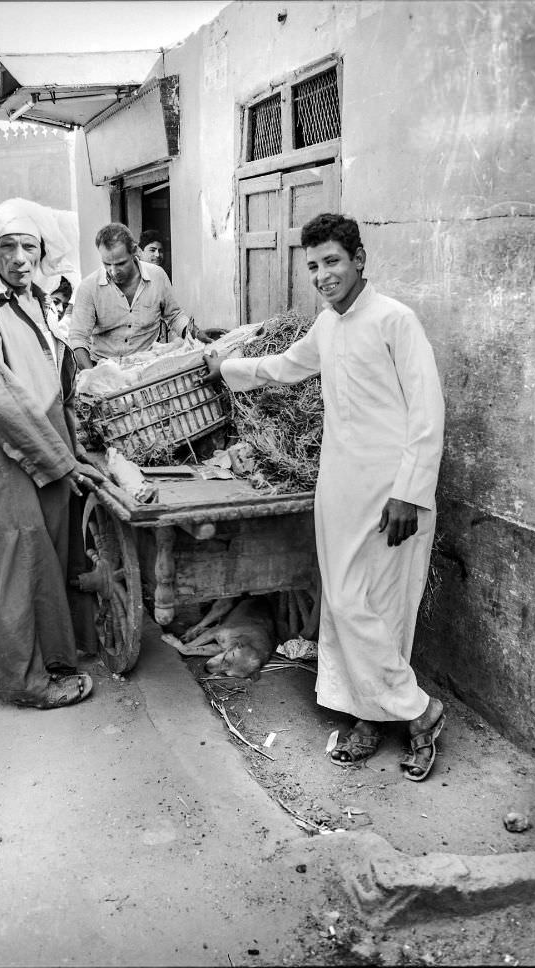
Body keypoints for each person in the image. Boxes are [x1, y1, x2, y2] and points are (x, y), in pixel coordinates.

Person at [203, 213, 446, 782]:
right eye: (313, 265)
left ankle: (417, 711)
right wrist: (226, 366)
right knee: (340, 606)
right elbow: (286, 367)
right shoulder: (327, 326)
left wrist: (409, 493)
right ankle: (369, 717)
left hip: (392, 494)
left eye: (332, 261)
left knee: (375, 606)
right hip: (338, 488)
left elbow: (427, 414)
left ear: (360, 258)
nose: (322, 275)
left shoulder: (396, 321)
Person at [0, 197, 106, 709]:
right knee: (20, 561)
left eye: (29, 247)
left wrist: (75, 450)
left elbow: (56, 390)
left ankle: (52, 657)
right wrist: (60, 460)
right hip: (2, 458)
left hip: (43, 448)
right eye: (9, 247)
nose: (20, 257)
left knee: (47, 557)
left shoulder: (37, 302)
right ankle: (22, 683)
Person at [69, 223, 210, 370]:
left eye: (120, 263)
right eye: (107, 264)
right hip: (104, 369)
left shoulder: (157, 276)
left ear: (135, 251)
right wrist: (92, 376)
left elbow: (174, 316)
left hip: (148, 370)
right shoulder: (89, 287)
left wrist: (196, 333)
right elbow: (78, 339)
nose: (113, 271)